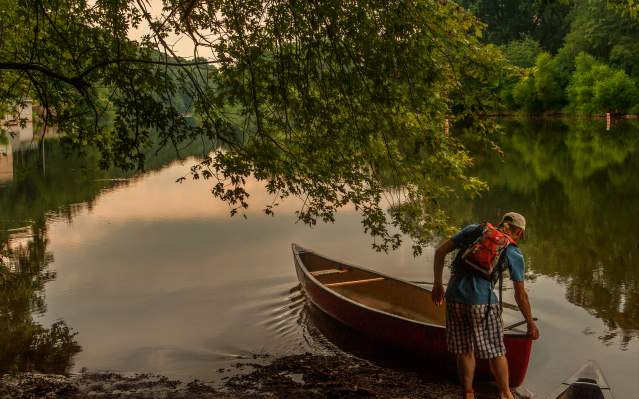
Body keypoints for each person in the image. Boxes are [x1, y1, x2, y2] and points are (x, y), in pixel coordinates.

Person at [431, 212, 540, 399]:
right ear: (519, 232)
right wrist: (529, 322)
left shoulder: (474, 230)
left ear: (501, 223)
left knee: (464, 349)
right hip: (482, 304)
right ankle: (506, 393)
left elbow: (440, 251)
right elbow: (520, 295)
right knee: (496, 351)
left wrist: (438, 284)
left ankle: (467, 393)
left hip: (454, 298)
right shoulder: (513, 251)